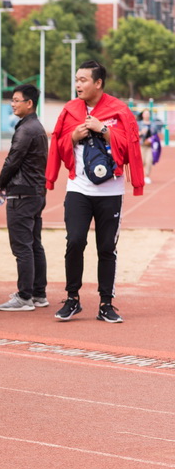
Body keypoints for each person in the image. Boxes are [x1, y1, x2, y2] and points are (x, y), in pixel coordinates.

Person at [46, 60, 144, 323]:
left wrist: (103, 129)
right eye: (76, 79)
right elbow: (58, 144)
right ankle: (72, 299)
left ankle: (105, 303)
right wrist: (74, 138)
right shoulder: (69, 110)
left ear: (98, 83)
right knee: (75, 241)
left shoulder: (119, 110)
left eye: (83, 80)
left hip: (110, 192)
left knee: (106, 248)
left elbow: (128, 147)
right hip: (78, 188)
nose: (78, 84)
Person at [0, 84, 49, 312]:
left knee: (22, 246)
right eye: (12, 100)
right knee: (34, 244)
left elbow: (13, 159)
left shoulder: (27, 129)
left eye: (17, 100)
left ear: (29, 103)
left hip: (22, 194)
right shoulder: (36, 126)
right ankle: (38, 293)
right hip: (35, 192)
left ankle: (25, 296)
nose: (13, 104)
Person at [137, 109, 158, 185]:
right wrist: (141, 132)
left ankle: (147, 176)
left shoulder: (153, 124)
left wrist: (152, 139)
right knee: (142, 161)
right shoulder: (138, 124)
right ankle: (140, 176)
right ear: (143, 115)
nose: (146, 115)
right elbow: (134, 134)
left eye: (148, 114)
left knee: (149, 160)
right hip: (141, 145)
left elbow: (155, 135)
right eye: (145, 114)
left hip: (150, 146)